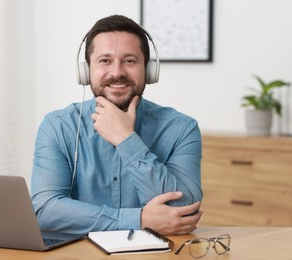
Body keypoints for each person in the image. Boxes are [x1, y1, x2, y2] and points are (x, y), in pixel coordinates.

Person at [31, 14, 203, 236]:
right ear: (86, 72)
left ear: (149, 71)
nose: (117, 72)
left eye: (129, 60)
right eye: (104, 60)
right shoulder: (58, 127)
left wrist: (126, 140)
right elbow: (44, 211)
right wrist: (137, 219)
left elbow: (183, 212)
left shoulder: (181, 129)